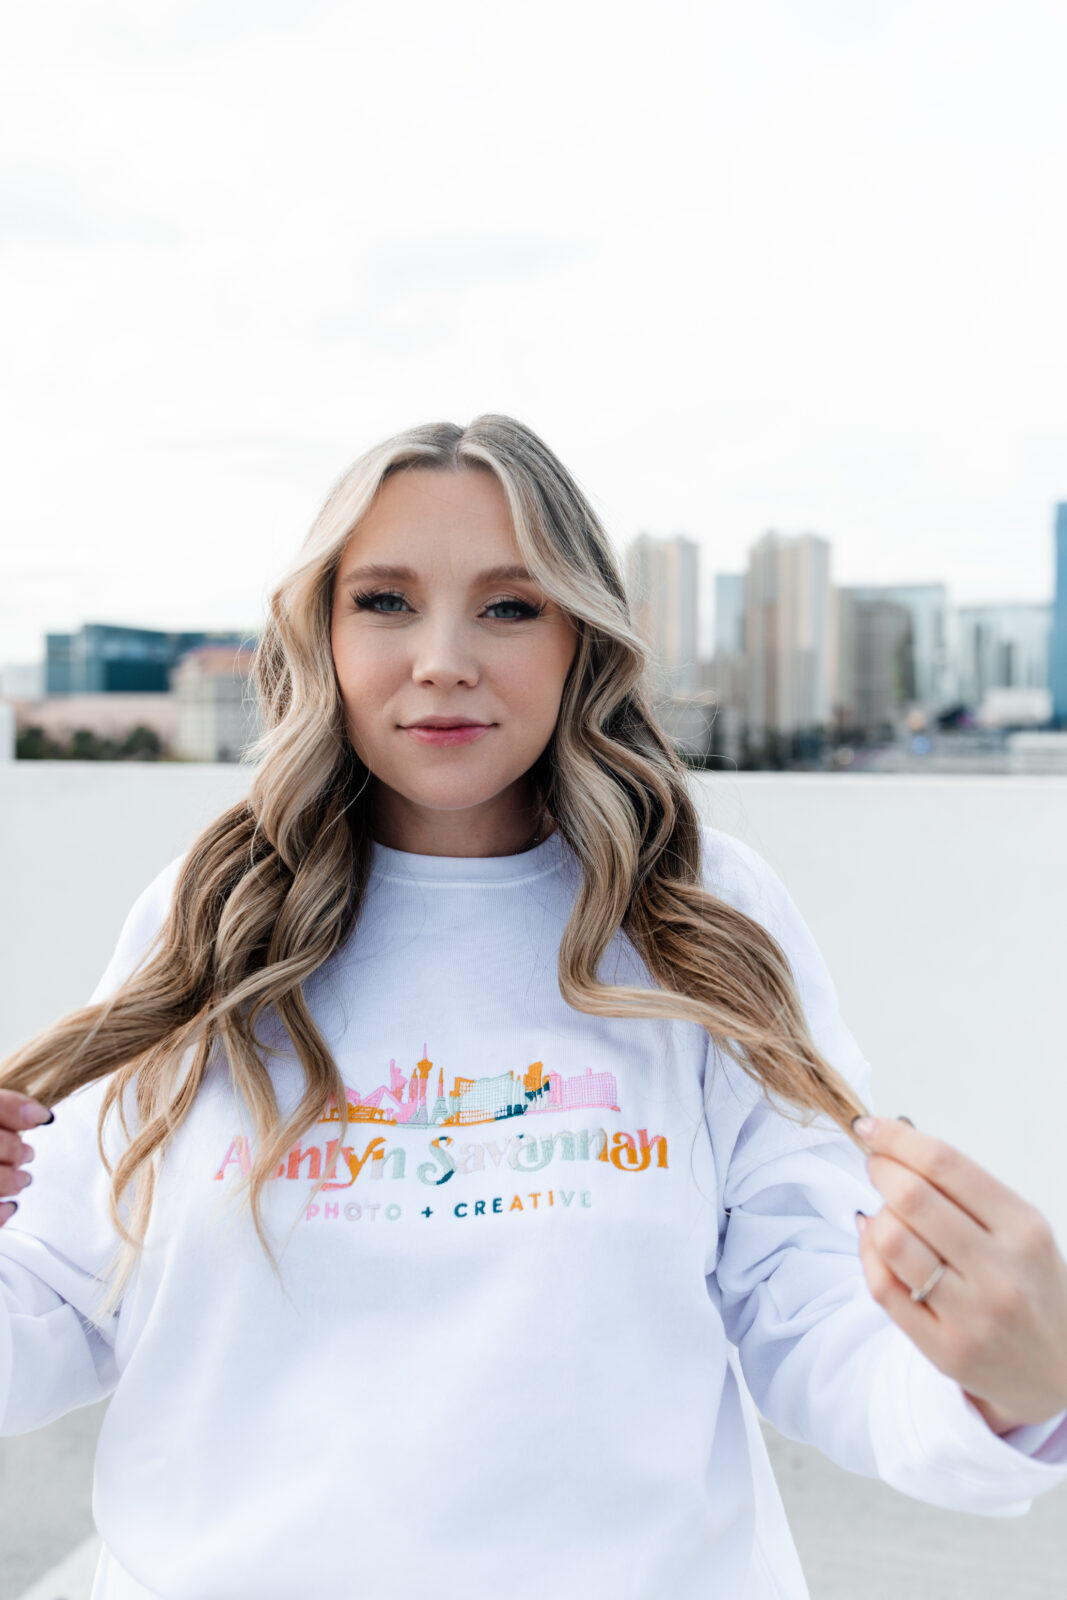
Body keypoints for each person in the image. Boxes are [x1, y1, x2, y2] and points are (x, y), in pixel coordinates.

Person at [1, 414, 1065, 1600]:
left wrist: (998, 1392)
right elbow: (62, 1303)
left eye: (508, 606)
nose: (443, 658)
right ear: (322, 631)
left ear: (578, 637)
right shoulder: (209, 910)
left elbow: (809, 1300)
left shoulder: (695, 911)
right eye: (385, 601)